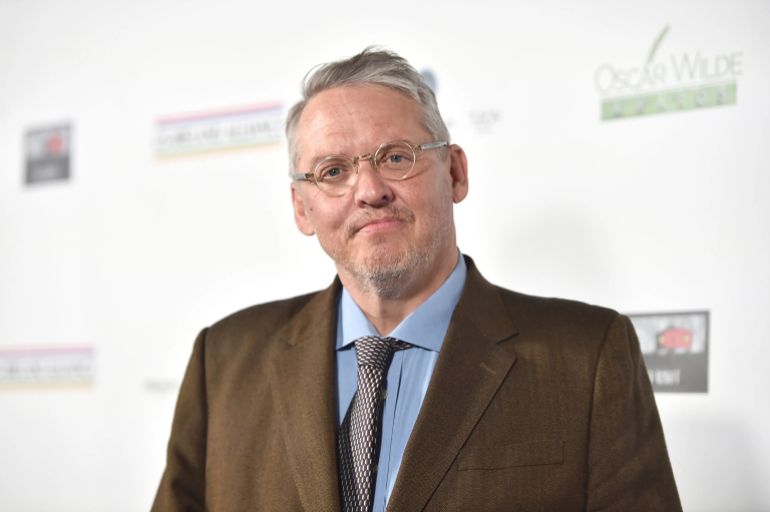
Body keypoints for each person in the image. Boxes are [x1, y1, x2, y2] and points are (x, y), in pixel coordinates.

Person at [152, 47, 682, 512]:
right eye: (333, 171)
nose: (369, 190)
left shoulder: (587, 357)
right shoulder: (221, 360)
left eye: (396, 157)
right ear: (301, 207)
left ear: (455, 172)